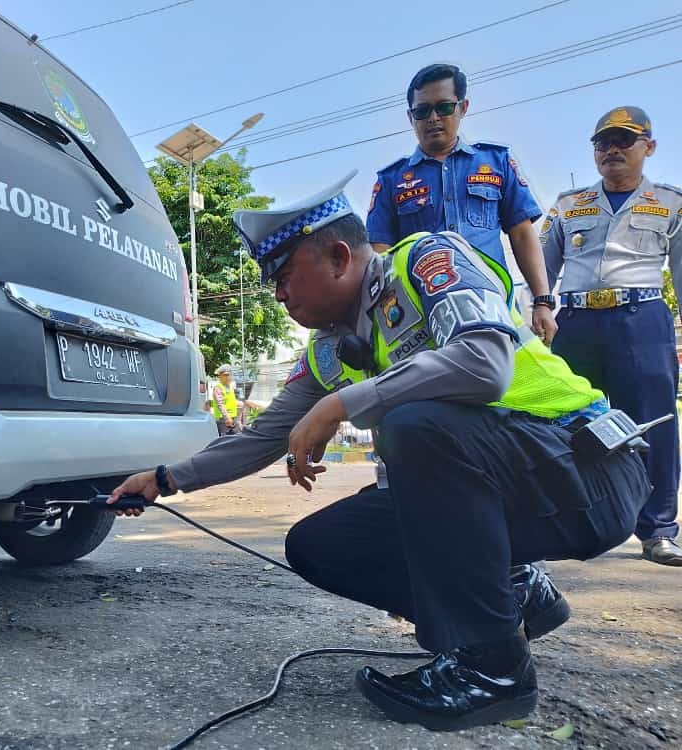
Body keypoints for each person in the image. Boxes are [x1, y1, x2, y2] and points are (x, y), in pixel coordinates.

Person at [109, 173, 650, 730]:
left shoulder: (425, 260)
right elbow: (260, 437)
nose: (279, 296)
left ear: (340, 257)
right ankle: (510, 599)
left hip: (590, 470)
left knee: (417, 425)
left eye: (286, 276)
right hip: (520, 485)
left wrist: (342, 404)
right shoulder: (330, 348)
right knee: (322, 544)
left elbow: (486, 364)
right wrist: (164, 479)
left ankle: (494, 671)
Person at [541, 106, 682, 566]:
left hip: (641, 319)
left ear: (649, 147)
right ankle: (568, 522)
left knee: (654, 421)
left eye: (624, 140)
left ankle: (658, 529)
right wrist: (537, 314)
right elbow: (541, 268)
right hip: (575, 322)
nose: (612, 150)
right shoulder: (568, 204)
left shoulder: (670, 203)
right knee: (566, 421)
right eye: (603, 143)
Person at [367, 63, 558, 345]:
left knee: (509, 387)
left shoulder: (497, 162)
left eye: (444, 107)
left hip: (496, 310)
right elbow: (380, 255)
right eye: (422, 111)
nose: (433, 118)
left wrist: (542, 301)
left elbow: (522, 233)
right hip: (425, 320)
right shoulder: (391, 180)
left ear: (463, 107)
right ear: (410, 117)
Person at [210, 364, 241, 435]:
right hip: (223, 420)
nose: (228, 377)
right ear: (219, 376)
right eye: (225, 375)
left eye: (229, 375)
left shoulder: (230, 387)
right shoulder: (218, 388)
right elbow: (220, 404)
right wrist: (227, 418)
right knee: (224, 440)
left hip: (232, 418)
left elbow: (231, 402)